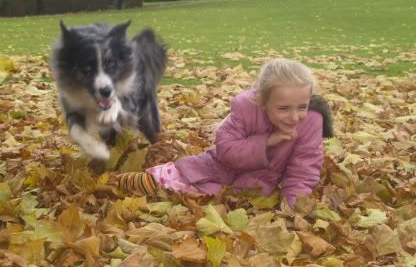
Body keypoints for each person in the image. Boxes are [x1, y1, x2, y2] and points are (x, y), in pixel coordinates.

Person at [117, 58, 333, 207]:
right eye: (284, 108)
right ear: (263, 102)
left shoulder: (311, 122)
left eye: (302, 107)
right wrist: (266, 142)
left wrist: (292, 206)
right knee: (177, 175)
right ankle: (127, 182)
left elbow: (304, 170)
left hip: (256, 185)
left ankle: (171, 190)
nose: (294, 117)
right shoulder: (246, 108)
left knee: (211, 198)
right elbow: (226, 150)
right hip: (219, 165)